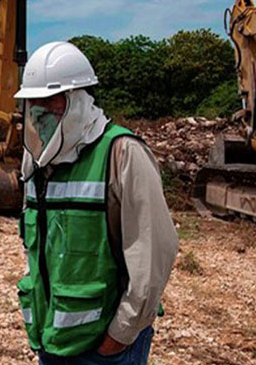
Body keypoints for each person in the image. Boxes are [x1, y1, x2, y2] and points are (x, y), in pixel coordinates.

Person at [13, 42, 179, 365]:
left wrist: (118, 338)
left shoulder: (121, 154)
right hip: (52, 341)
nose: (37, 110)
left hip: (106, 351)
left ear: (76, 100)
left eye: (49, 100)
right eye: (32, 101)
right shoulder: (34, 162)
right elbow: (36, 247)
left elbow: (153, 258)